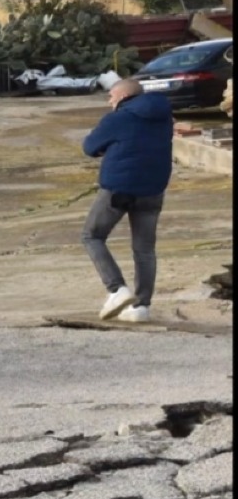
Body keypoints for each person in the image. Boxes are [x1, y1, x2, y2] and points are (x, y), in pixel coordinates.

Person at [81, 78, 173, 323]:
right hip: (153, 190)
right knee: (144, 249)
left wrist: (108, 147)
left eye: (111, 96)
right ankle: (142, 307)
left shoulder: (117, 119)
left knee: (92, 235)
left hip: (119, 190)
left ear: (122, 97)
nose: (109, 101)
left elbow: (90, 147)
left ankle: (117, 289)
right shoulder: (163, 117)